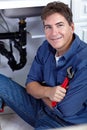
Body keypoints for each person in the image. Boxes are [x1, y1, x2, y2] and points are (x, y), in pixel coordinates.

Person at [0, 1, 87, 130]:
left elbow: (65, 110)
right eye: (48, 27)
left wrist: (39, 93)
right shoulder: (46, 48)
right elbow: (30, 86)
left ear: (72, 27)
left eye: (59, 25)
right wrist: (48, 92)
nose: (54, 33)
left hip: (64, 123)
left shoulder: (84, 61)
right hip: (40, 108)